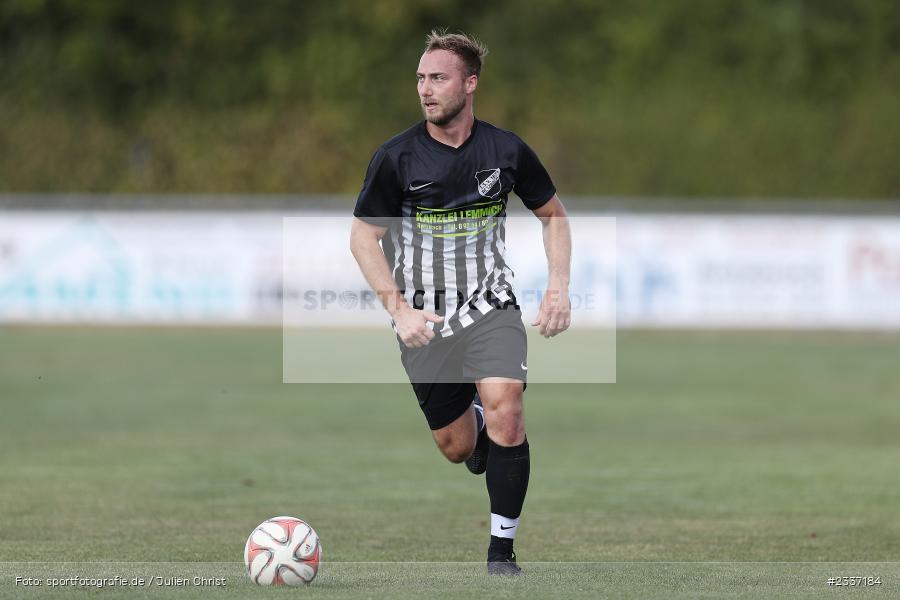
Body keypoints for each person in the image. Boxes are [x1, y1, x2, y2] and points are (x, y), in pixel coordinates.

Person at [349, 30, 571, 575]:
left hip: (490, 305)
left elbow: (554, 216)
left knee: (508, 409)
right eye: (421, 78)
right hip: (424, 319)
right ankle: (474, 429)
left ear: (469, 84)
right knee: (455, 446)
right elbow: (362, 237)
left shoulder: (507, 151)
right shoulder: (396, 157)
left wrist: (558, 287)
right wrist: (399, 311)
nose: (426, 89)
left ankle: (501, 553)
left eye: (438, 78)